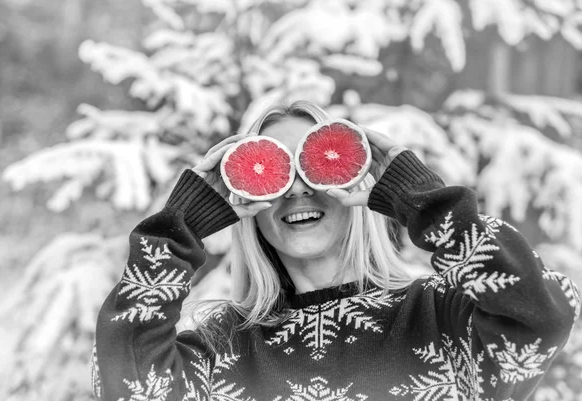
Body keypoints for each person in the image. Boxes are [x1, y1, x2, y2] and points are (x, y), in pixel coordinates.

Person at [92, 100, 580, 401]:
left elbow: (542, 313)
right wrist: (177, 229)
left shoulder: (440, 316)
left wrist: (425, 204)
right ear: (249, 204)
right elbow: (128, 388)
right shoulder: (223, 348)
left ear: (357, 182)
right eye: (276, 173)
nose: (298, 191)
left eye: (319, 167)